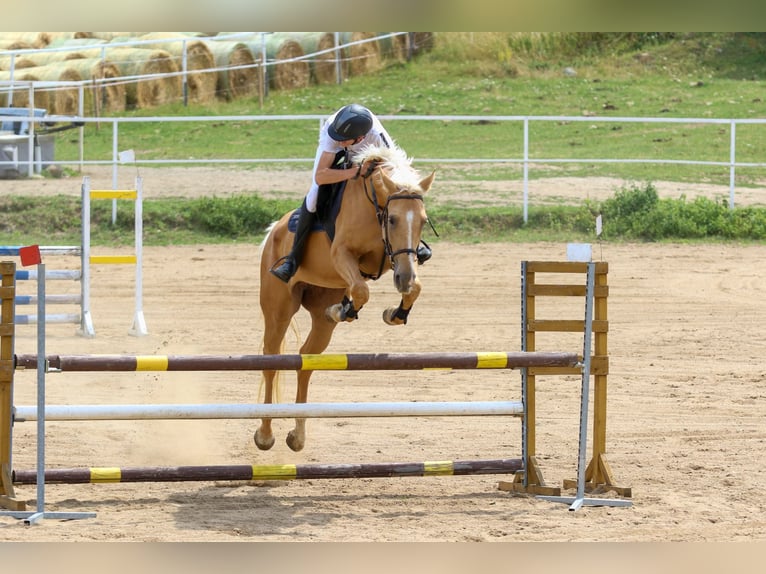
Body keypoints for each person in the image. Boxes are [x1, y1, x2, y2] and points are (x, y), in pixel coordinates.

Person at [270, 103, 431, 283]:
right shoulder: (333, 137)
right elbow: (321, 176)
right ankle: (293, 259)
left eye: (344, 140)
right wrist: (354, 172)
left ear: (361, 137)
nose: (340, 142)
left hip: (365, 147)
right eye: (339, 139)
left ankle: (415, 245)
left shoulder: (377, 136)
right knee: (313, 197)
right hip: (337, 158)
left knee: (398, 193)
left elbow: (398, 170)